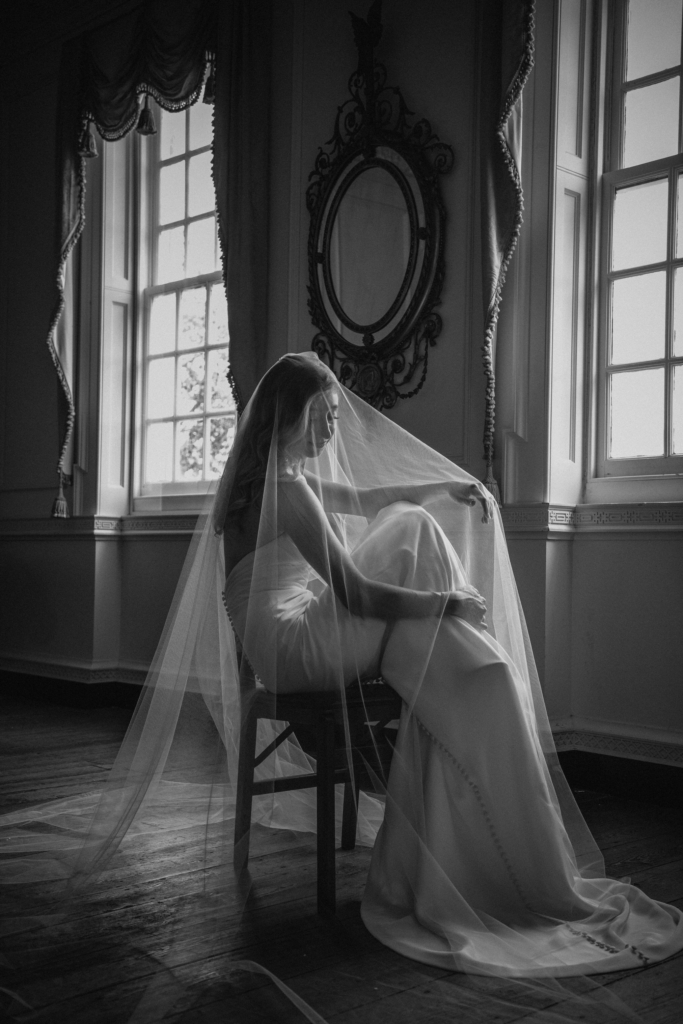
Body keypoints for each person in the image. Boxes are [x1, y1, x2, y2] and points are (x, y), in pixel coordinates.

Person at [1, 352, 681, 1002]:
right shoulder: (284, 486)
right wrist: (448, 602)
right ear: (295, 415)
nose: (335, 426)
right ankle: (468, 674)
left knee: (415, 531)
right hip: (294, 647)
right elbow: (354, 594)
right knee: (412, 535)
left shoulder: (280, 474)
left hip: (292, 635)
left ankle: (467, 682)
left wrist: (445, 484)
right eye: (326, 413)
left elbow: (365, 492)